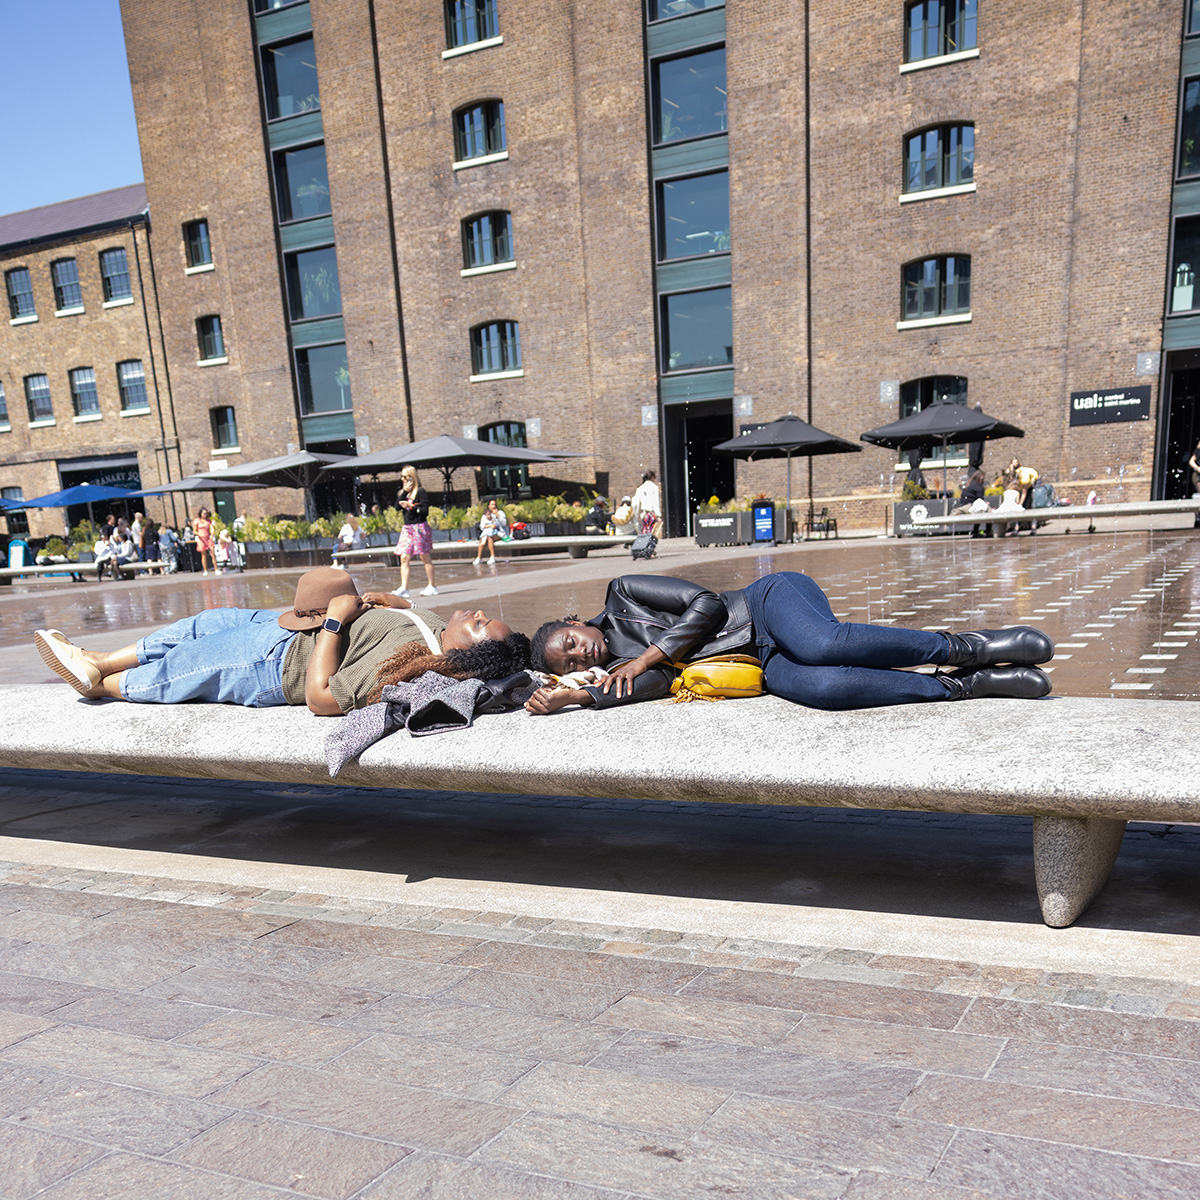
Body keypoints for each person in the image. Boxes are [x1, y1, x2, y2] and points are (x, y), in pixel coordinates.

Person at [525, 573, 1053, 716]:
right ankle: (965, 686)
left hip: (767, 603)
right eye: (569, 663)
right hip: (761, 660)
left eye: (572, 641)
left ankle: (965, 647)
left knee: (822, 644)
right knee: (825, 689)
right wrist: (578, 696)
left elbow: (707, 603)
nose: (580, 654)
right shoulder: (620, 670)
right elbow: (658, 684)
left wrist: (646, 655)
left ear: (575, 621)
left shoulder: (622, 593)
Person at [34, 566, 530, 715]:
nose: (479, 613)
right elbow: (408, 615)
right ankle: (98, 658)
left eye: (483, 624)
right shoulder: (435, 625)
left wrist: (334, 625)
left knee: (183, 666)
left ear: (466, 654)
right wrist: (396, 601)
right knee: (204, 622)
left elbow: (321, 698)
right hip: (286, 627)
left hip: (276, 663)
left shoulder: (414, 662)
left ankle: (98, 683)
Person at [393, 465, 438, 598]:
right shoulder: (404, 493)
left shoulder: (421, 492)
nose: (402, 479)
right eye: (402, 477)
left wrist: (411, 506)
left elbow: (425, 511)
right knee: (404, 557)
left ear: (412, 477)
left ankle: (432, 585)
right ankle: (404, 588)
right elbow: (396, 507)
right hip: (407, 529)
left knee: (424, 556)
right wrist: (403, 493)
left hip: (419, 527)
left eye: (405, 477)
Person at [474, 498, 508, 565]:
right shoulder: (485, 515)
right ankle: (478, 557)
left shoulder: (500, 513)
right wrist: (489, 526)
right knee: (483, 540)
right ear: (489, 506)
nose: (494, 506)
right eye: (492, 505)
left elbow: (504, 524)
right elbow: (481, 526)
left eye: (495, 504)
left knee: (490, 537)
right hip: (487, 533)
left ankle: (492, 556)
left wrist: (497, 515)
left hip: (498, 533)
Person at [632, 471, 661, 537]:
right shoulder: (654, 487)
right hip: (651, 514)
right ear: (652, 477)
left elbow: (636, 503)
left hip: (644, 514)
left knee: (645, 532)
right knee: (652, 533)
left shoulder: (640, 488)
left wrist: (637, 515)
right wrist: (658, 515)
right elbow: (655, 502)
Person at [194, 507, 216, 575]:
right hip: (201, 539)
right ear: (200, 513)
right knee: (203, 555)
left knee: (212, 553)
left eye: (206, 513)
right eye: (204, 513)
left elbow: (212, 528)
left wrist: (212, 534)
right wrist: (199, 534)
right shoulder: (197, 521)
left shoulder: (208, 521)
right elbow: (194, 530)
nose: (205, 515)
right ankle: (205, 570)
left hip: (208, 538)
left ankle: (216, 569)